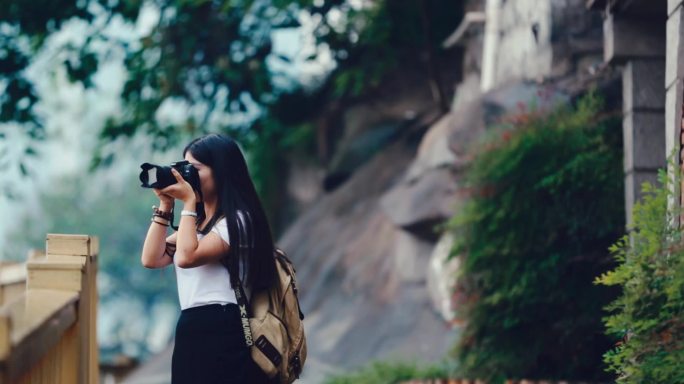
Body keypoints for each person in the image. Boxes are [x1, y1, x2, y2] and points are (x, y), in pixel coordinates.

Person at [140, 133, 278, 383]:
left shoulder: (239, 220)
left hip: (222, 326)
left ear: (222, 170)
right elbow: (151, 258)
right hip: (192, 327)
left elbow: (186, 257)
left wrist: (189, 203)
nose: (188, 176)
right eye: (184, 168)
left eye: (195, 169)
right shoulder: (198, 226)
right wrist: (166, 205)